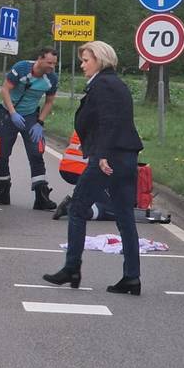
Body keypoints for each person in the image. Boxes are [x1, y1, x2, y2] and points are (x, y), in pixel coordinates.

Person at [44, 41, 144, 296]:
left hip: (108, 158)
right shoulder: (116, 83)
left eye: (86, 60)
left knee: (77, 208)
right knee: (124, 215)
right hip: (125, 156)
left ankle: (72, 267)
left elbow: (108, 122)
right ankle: (132, 277)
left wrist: (101, 155)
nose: (82, 64)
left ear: (99, 60)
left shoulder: (102, 85)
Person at [0, 46, 59, 210]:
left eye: (54, 64)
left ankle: (41, 197)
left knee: (36, 153)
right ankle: (3, 193)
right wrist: (12, 113)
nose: (52, 67)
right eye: (49, 63)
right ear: (39, 59)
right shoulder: (21, 68)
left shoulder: (52, 79)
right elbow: (5, 90)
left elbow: (49, 102)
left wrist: (39, 122)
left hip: (31, 117)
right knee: (2, 153)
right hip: (9, 115)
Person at [52, 132, 117, 222]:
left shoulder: (86, 120)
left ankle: (76, 202)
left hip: (67, 167)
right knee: (113, 211)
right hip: (82, 170)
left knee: (91, 192)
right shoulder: (108, 126)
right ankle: (73, 208)